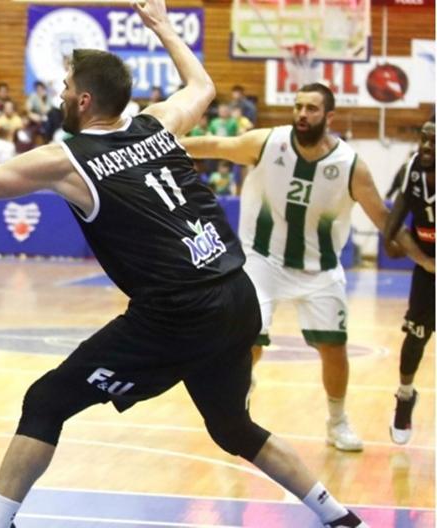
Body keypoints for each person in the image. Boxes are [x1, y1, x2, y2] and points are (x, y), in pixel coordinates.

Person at [0, 1, 370, 526]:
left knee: (46, 400)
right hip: (237, 294)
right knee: (233, 427)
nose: (61, 95)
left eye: (67, 87)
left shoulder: (68, 158)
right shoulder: (158, 123)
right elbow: (202, 85)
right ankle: (338, 515)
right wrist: (162, 27)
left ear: (86, 101)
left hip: (177, 312)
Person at [182, 83, 435, 454]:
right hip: (263, 261)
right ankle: (239, 402)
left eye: (311, 108)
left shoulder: (350, 165)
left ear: (329, 116)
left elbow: (385, 220)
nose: (302, 114)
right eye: (298, 106)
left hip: (320, 268)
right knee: (249, 339)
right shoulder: (268, 143)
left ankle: (337, 421)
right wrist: (160, 143)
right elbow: (215, 145)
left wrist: (425, 261)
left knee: (334, 348)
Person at [384, 121, 435, 445]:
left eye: (434, 141)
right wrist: (388, 236)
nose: (427, 146)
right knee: (415, 336)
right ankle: (405, 396)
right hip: (427, 269)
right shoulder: (411, 169)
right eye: (424, 138)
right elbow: (401, 206)